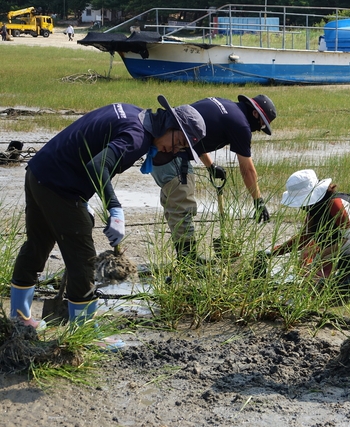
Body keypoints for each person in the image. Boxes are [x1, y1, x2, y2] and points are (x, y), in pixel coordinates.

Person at [9, 95, 206, 338]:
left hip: (40, 172)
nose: (175, 150)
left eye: (182, 149)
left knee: (37, 245)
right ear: (170, 125)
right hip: (60, 186)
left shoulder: (133, 112)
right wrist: (114, 207)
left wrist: (86, 198)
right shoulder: (137, 137)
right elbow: (97, 166)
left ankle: (19, 319)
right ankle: (85, 334)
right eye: (179, 142)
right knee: (83, 259)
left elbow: (88, 147)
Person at [150, 94, 276, 262]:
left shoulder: (221, 103)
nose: (258, 130)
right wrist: (258, 200)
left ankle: (187, 257)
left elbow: (194, 134)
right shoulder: (241, 125)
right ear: (255, 114)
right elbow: (248, 170)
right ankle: (189, 260)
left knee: (175, 205)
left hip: (159, 147)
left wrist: (210, 166)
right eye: (260, 125)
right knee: (182, 204)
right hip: (168, 152)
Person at [264, 169, 350, 296]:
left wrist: (319, 258)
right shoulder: (313, 209)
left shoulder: (335, 204)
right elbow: (304, 239)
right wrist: (271, 253)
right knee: (332, 287)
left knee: (348, 259)